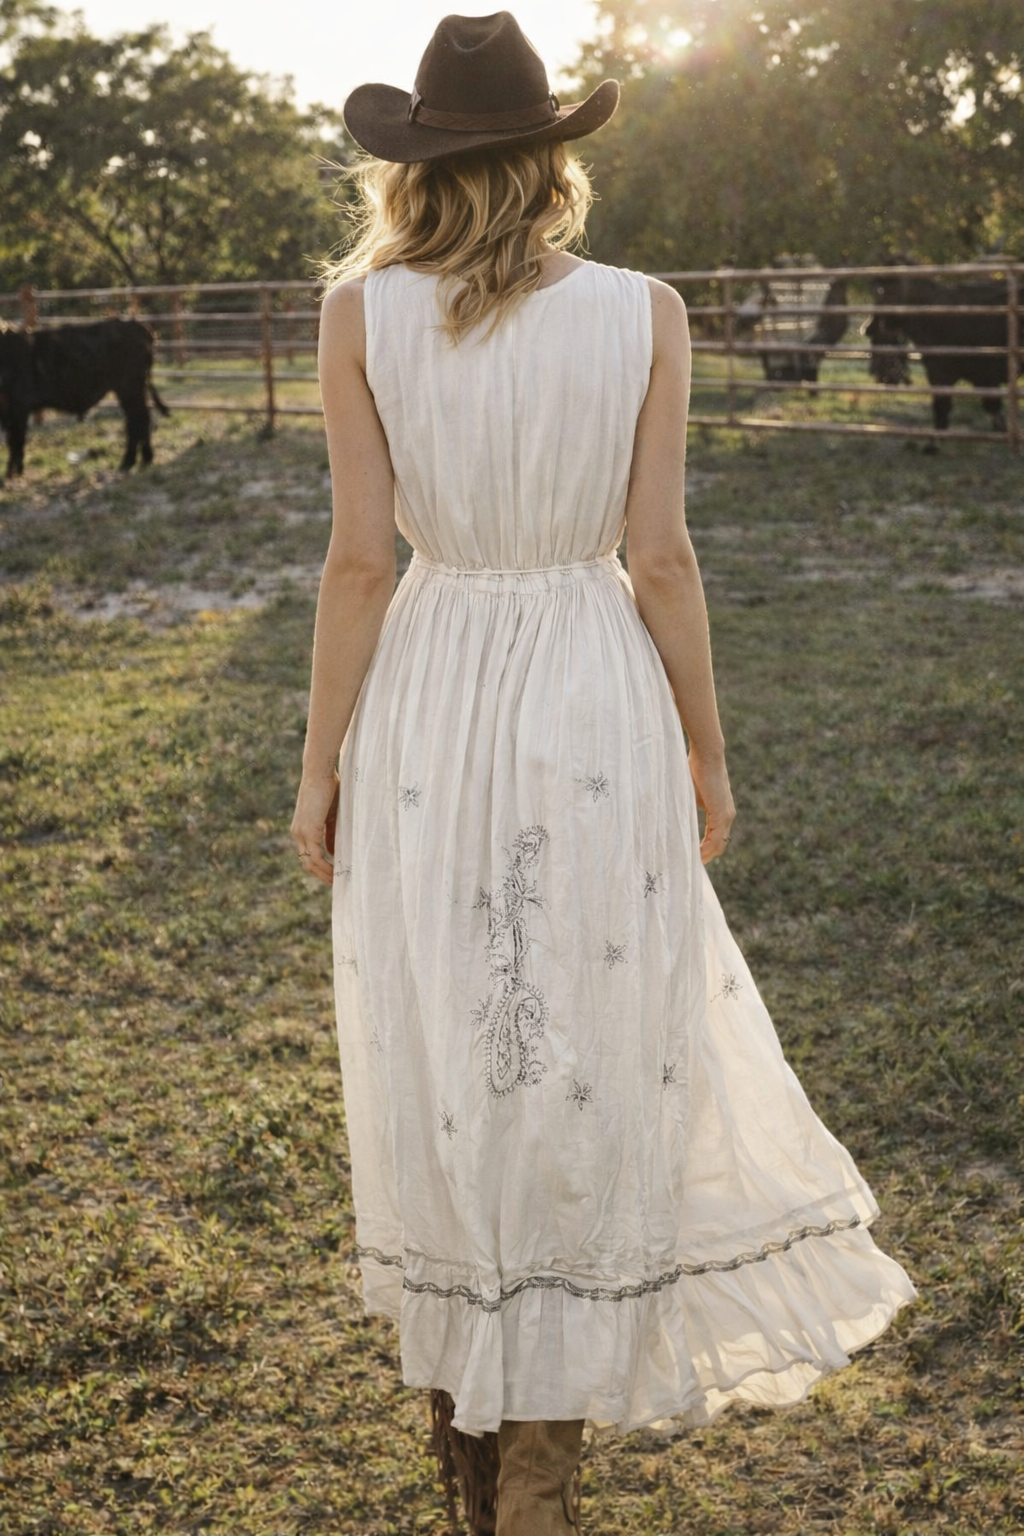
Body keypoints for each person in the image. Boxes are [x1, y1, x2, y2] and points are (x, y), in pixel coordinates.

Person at [290, 12, 920, 1535]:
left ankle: (478, 1409)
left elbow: (361, 562)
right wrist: (705, 747)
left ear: (415, 165)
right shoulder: (647, 311)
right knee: (577, 1043)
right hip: (591, 685)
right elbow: (661, 557)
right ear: (552, 159)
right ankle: (536, 1457)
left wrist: (318, 770)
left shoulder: (359, 315)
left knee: (456, 1043)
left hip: (432, 694)